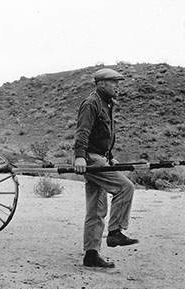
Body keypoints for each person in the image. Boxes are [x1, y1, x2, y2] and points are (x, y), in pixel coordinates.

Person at [74, 68, 138, 268]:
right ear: (101, 84)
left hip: (98, 157)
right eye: (114, 82)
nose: (117, 86)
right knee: (125, 187)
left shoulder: (106, 104)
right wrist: (79, 157)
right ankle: (115, 232)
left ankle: (91, 255)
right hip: (90, 159)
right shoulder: (92, 103)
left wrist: (109, 157)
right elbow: (83, 131)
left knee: (96, 208)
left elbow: (101, 135)